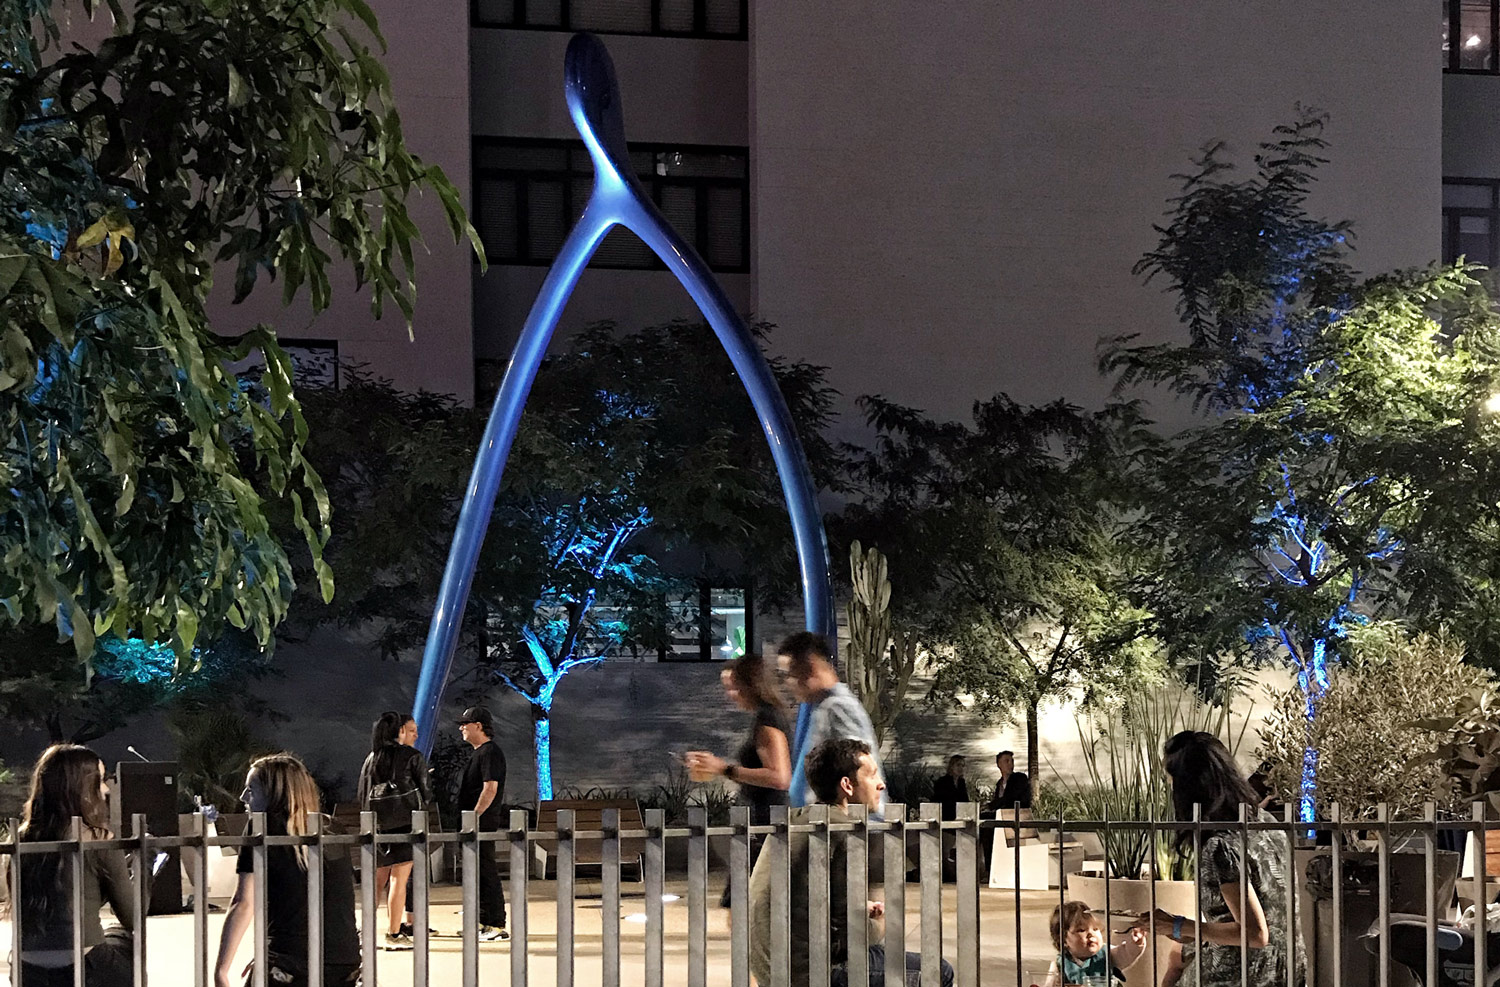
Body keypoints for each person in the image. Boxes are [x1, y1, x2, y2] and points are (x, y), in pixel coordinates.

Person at [749, 737, 953, 987]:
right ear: (847, 785)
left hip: (771, 966)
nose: (881, 784)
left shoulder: (797, 820)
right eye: (872, 775)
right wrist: (879, 925)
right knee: (939, 971)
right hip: (811, 972)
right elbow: (850, 938)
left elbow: (802, 898)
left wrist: (856, 906)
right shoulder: (842, 831)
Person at [1134, 731, 1305, 987]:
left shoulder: (1219, 846)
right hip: (1288, 969)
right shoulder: (1266, 824)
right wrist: (1183, 932)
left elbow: (1254, 933)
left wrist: (1178, 924)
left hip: (1242, 974)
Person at [215, 753, 360, 987]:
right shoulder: (332, 827)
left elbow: (243, 903)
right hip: (345, 963)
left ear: (275, 794)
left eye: (251, 789)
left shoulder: (263, 829)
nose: (243, 797)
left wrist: (221, 970)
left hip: (291, 962)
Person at [5, 744, 138, 987]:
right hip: (82, 967)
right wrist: (143, 876)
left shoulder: (18, 840)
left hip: (27, 969)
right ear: (81, 789)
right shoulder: (97, 838)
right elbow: (133, 916)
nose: (106, 789)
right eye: (100, 781)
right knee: (127, 940)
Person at [682, 653, 792, 907]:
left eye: (734, 687)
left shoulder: (767, 720)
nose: (730, 694)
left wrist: (725, 769)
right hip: (758, 821)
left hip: (764, 823)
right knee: (748, 902)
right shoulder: (766, 717)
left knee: (750, 901)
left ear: (752, 685)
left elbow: (779, 777)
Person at [778, 631, 884, 809]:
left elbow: (861, 768)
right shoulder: (825, 707)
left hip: (849, 827)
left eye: (790, 674)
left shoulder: (837, 707)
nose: (787, 683)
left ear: (810, 669)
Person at [357, 710, 433, 949]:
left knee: (378, 880)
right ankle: (393, 933)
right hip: (405, 823)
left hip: (376, 824)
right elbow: (425, 791)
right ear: (400, 730)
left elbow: (362, 792)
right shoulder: (412, 756)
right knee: (399, 880)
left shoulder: (372, 758)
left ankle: (364, 932)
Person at [458, 704, 509, 941]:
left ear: (479, 726)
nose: (461, 728)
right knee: (475, 872)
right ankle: (481, 922)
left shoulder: (490, 752)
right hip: (473, 823)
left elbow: (490, 788)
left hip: (481, 823)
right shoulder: (480, 752)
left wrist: (474, 817)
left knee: (486, 871)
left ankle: (496, 924)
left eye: (465, 724)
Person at [1038, 900, 1146, 987]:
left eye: (1095, 929)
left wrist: (1135, 943)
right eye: (1081, 930)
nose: (1091, 934)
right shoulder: (1060, 964)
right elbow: (1050, 984)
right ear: (1063, 940)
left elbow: (1127, 953)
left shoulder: (1108, 953)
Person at [932, 755, 969, 822]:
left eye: (963, 766)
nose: (961, 768)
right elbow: (939, 802)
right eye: (958, 765)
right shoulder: (942, 781)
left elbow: (965, 800)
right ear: (951, 767)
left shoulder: (961, 782)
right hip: (946, 817)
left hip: (960, 816)